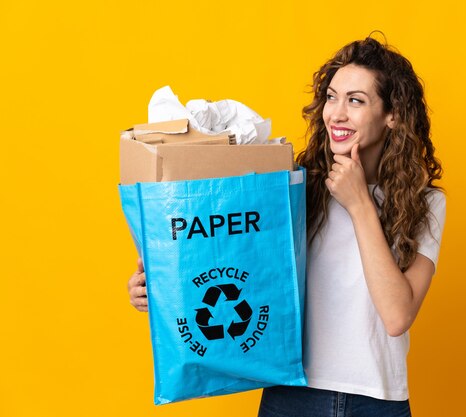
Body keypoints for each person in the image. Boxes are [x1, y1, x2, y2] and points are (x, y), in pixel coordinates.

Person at [128, 34, 446, 417]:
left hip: (376, 400)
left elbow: (397, 316)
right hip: (292, 394)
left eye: (356, 101)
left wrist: (360, 203)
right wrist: (162, 288)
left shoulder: (426, 203)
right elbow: (231, 257)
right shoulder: (295, 184)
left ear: (392, 114)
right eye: (331, 97)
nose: (336, 114)